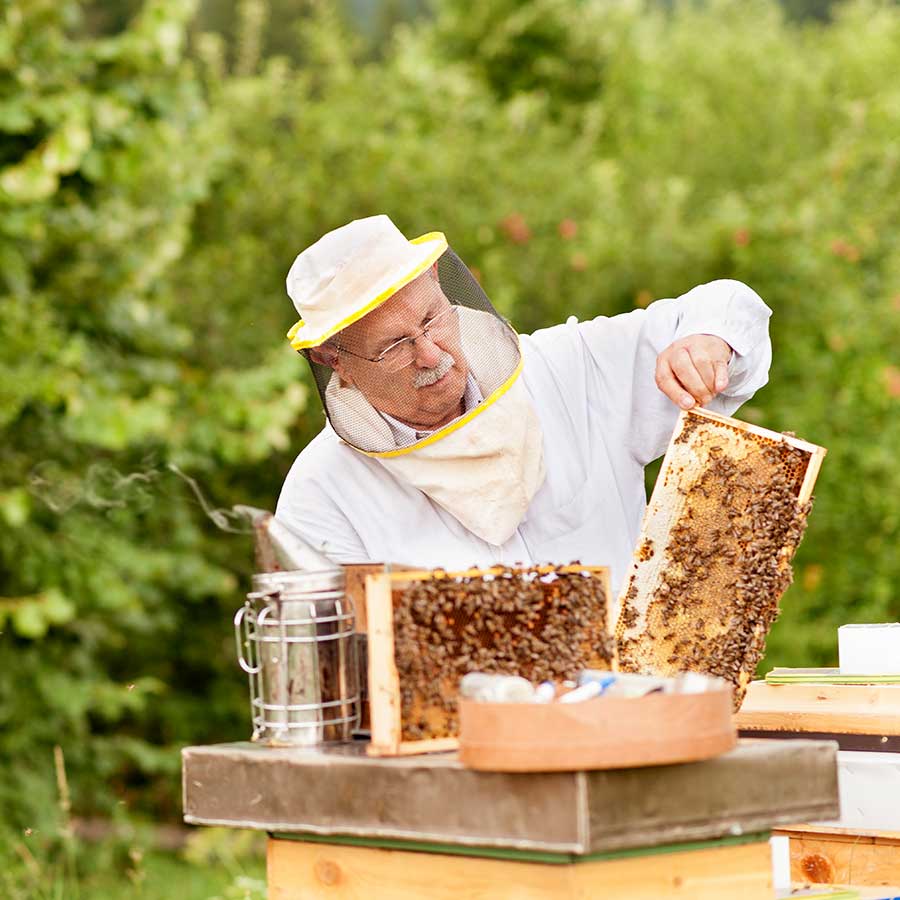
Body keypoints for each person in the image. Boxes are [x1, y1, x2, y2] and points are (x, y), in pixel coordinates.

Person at [276, 215, 771, 592]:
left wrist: (707, 342)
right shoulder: (323, 492)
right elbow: (338, 668)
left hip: (636, 708)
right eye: (393, 346)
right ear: (332, 359)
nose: (430, 353)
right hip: (473, 726)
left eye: (431, 319)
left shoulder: (567, 370)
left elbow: (729, 305)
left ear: (440, 286)